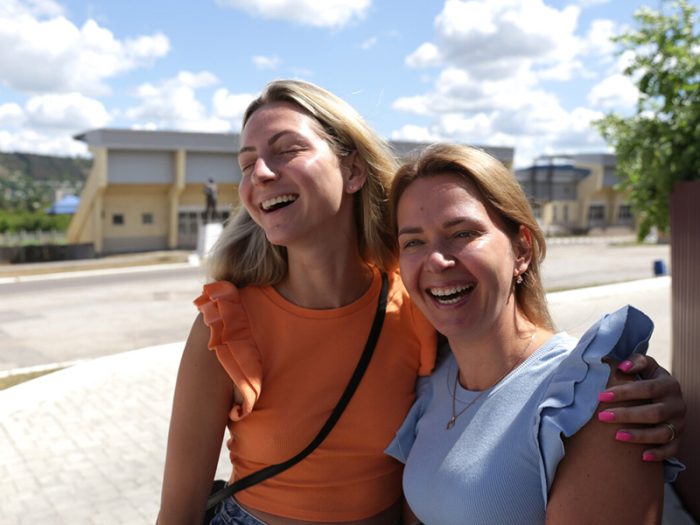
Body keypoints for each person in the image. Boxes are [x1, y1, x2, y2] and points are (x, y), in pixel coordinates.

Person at [157, 80, 685, 525]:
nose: (261, 174)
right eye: (247, 163)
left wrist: (627, 386)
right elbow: (177, 512)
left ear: (353, 170)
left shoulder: (416, 300)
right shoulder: (227, 325)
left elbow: (512, 369)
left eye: (287, 150)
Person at [385, 143, 684, 524]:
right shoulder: (432, 384)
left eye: (462, 233)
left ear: (521, 249)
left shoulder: (590, 396)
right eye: (413, 242)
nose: (437, 260)